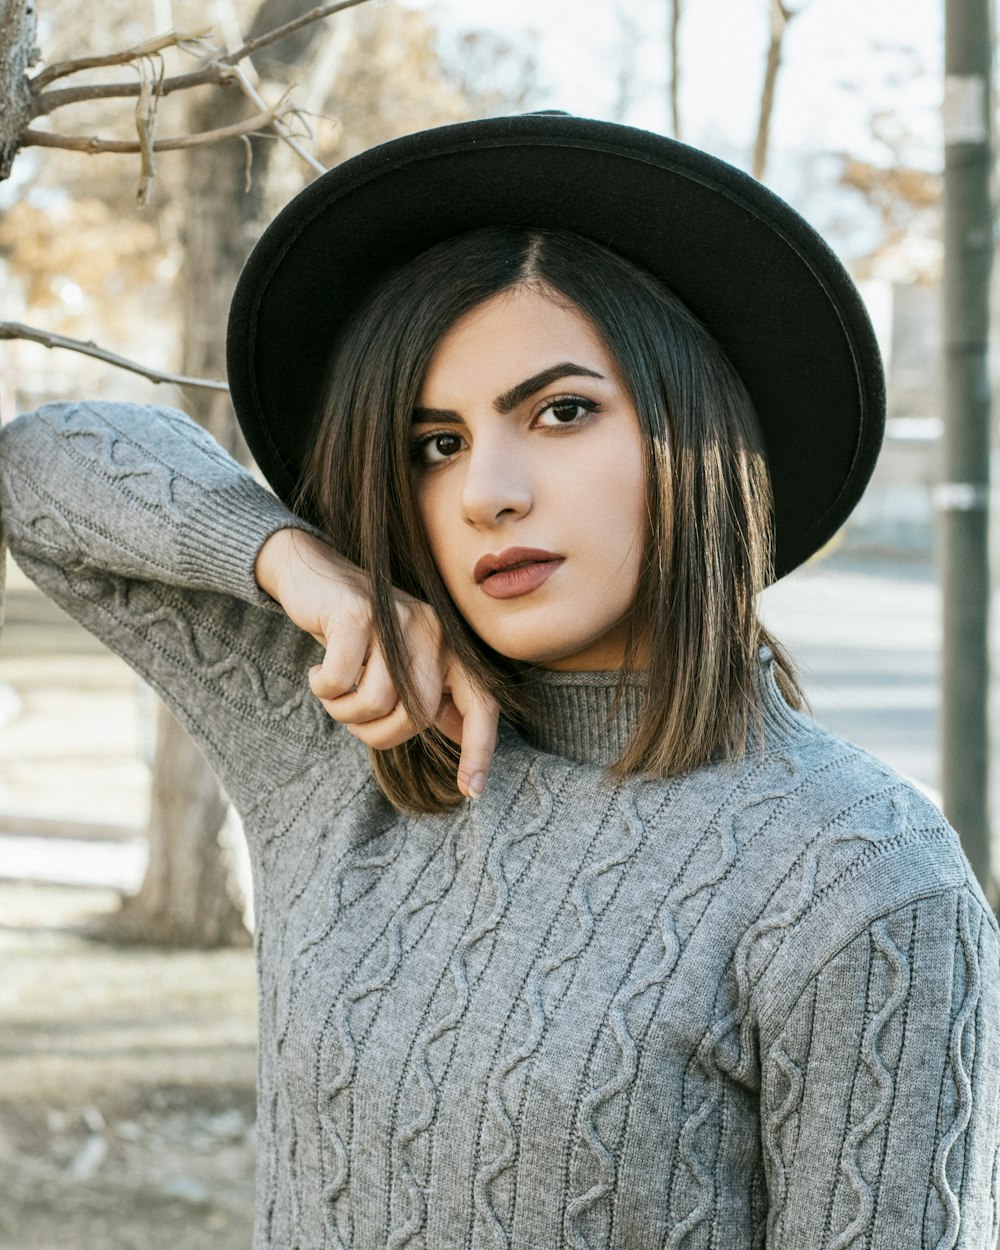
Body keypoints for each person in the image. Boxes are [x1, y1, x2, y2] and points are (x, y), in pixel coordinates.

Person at [2, 113, 998, 1249]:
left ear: (696, 430)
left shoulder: (860, 879)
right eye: (436, 442)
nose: (489, 490)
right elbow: (41, 468)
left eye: (561, 411)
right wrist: (296, 566)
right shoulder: (344, 732)